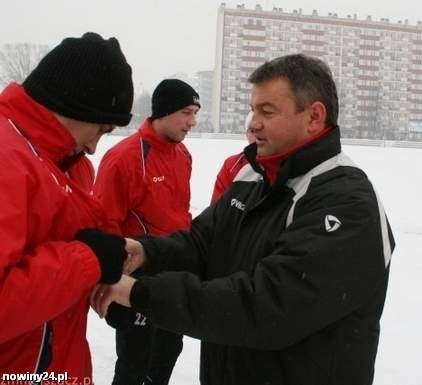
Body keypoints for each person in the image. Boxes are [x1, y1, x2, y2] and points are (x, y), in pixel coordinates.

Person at [93, 54, 395, 385]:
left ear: (314, 117)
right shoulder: (253, 177)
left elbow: (266, 308)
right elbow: (201, 244)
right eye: (253, 110)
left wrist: (140, 294)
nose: (252, 123)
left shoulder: (347, 202)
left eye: (267, 111)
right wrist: (145, 251)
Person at [0, 32, 134, 383]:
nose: (93, 147)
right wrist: (87, 261)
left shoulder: (63, 161)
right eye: (100, 129)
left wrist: (103, 280)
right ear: (72, 105)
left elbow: (47, 251)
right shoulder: (7, 157)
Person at [93, 79, 200, 385]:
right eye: (186, 112)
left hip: (174, 274)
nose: (192, 121)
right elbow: (104, 224)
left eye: (195, 112)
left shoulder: (184, 155)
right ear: (163, 112)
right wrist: (114, 280)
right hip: (137, 277)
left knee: (168, 351)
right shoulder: (126, 156)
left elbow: (179, 215)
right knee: (134, 361)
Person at [210, 111, 255, 203]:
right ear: (246, 134)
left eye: (261, 130)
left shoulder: (284, 165)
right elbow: (216, 207)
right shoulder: (232, 164)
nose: (257, 136)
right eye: (252, 131)